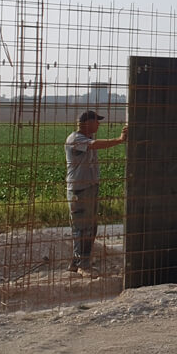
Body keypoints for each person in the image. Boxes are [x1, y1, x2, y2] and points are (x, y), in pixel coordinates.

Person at [65, 110, 128, 275]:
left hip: (90, 187)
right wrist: (119, 140)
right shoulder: (75, 139)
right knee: (82, 227)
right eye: (96, 121)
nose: (99, 124)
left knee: (90, 227)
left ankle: (77, 262)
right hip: (80, 190)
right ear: (86, 123)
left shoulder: (87, 138)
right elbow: (95, 145)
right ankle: (82, 266)